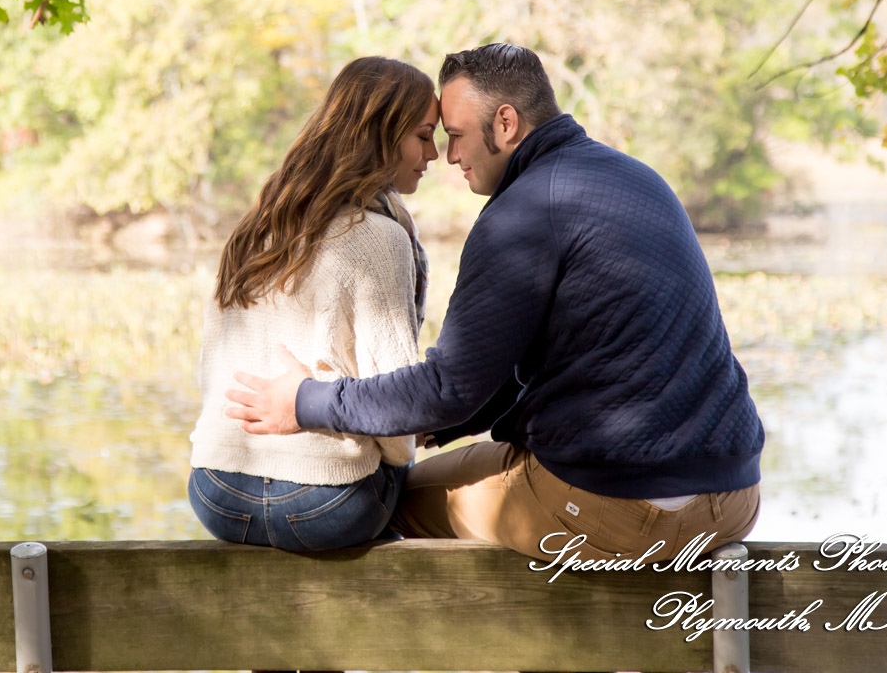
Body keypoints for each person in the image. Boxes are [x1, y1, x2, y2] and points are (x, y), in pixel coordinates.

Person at [225, 43, 764, 563]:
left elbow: (448, 387)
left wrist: (304, 403)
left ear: (505, 124)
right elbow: (490, 381)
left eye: (456, 136)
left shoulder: (521, 216)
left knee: (377, 505)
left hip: (619, 507)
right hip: (733, 495)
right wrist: (423, 421)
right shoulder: (637, 179)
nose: (449, 155)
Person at [187, 56, 440, 551]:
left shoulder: (257, 225)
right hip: (324, 506)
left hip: (215, 491)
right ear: (381, 134)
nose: (434, 153)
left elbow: (209, 375)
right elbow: (399, 424)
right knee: (411, 475)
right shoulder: (380, 238)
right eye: (424, 135)